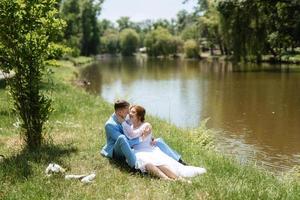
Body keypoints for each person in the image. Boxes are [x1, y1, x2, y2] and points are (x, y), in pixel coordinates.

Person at [122, 105, 207, 180]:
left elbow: (134, 137)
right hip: (138, 152)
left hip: (149, 150)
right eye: (130, 112)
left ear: (139, 116)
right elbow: (132, 138)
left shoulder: (146, 125)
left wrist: (144, 137)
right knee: (150, 163)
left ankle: (179, 179)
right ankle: (168, 179)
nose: (130, 113)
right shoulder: (130, 127)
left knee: (160, 163)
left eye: (133, 112)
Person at [101, 100, 186, 169]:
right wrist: (142, 138)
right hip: (117, 149)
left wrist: (148, 133)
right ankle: (135, 166)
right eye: (127, 111)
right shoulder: (110, 125)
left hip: (131, 142)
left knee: (157, 141)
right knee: (122, 138)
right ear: (119, 112)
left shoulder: (124, 116)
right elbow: (125, 142)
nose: (129, 114)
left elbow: (136, 125)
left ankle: (178, 160)